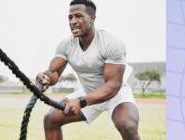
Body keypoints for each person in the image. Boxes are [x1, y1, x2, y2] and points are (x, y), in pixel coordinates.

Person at [36, 0, 140, 139]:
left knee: (127, 126)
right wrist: (46, 77)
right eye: (70, 17)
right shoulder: (66, 45)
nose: (73, 21)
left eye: (78, 16)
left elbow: (113, 86)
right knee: (51, 119)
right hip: (87, 92)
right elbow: (54, 73)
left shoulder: (111, 43)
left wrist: (81, 102)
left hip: (116, 94)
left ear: (92, 18)